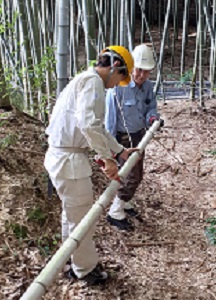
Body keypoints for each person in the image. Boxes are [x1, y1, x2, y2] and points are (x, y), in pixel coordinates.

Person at [44, 45, 136, 286]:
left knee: (72, 214)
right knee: (81, 218)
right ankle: (84, 269)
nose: (117, 84)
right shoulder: (93, 82)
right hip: (68, 161)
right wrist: (107, 159)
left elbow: (96, 128)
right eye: (120, 78)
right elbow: (88, 125)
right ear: (115, 66)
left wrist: (118, 151)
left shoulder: (84, 80)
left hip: (64, 158)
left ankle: (70, 260)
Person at [105, 44, 162, 231]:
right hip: (122, 138)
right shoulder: (118, 87)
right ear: (131, 68)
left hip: (139, 136)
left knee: (135, 173)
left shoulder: (147, 87)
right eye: (139, 70)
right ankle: (115, 211)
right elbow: (110, 120)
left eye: (146, 72)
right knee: (132, 176)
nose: (142, 76)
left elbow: (150, 107)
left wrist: (153, 118)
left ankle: (125, 202)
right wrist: (110, 148)